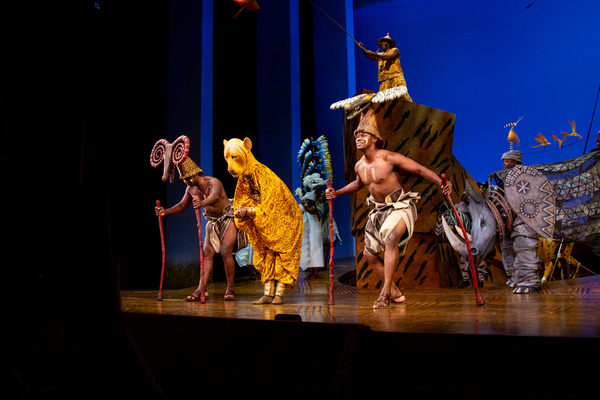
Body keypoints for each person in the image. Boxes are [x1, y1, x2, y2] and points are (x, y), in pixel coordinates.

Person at [326, 109, 452, 308]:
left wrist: (440, 182)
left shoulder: (389, 158)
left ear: (375, 139)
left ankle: (384, 293)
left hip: (400, 207)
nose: (358, 137)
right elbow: (358, 184)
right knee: (368, 254)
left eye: (363, 134)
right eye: (356, 135)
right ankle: (394, 290)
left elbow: (418, 168)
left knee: (391, 238)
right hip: (379, 212)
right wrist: (337, 192)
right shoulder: (360, 166)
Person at [224, 137, 303, 305]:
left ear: (246, 149)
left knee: (283, 255)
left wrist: (248, 211)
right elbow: (243, 199)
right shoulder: (244, 178)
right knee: (266, 254)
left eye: (234, 157)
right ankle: (268, 294)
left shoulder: (264, 174)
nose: (230, 166)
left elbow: (272, 203)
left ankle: (279, 295)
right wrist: (242, 211)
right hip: (265, 220)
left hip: (285, 217)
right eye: (227, 158)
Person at [154, 157, 240, 301]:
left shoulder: (214, 182)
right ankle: (201, 288)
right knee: (206, 254)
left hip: (226, 218)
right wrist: (165, 211)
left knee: (226, 252)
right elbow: (182, 205)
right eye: (184, 179)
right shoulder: (190, 188)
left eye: (188, 178)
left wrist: (202, 202)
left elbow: (214, 196)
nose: (186, 181)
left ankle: (230, 288)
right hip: (212, 222)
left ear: (195, 173)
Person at [499, 150, 542, 294]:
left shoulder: (523, 177)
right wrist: (506, 218)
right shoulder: (508, 179)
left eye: (507, 161)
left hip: (524, 220)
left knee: (524, 245)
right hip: (511, 221)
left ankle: (529, 280)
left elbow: (523, 200)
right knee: (507, 245)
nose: (504, 164)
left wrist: (513, 216)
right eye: (503, 162)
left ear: (514, 162)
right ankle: (515, 277)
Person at [358, 33, 413, 101]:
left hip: (395, 79)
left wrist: (373, 53)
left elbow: (388, 57)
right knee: (383, 101)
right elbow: (371, 56)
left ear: (389, 43)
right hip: (384, 82)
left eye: (384, 41)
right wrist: (363, 49)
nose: (382, 43)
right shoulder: (380, 54)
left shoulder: (394, 50)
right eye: (381, 42)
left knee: (402, 98)